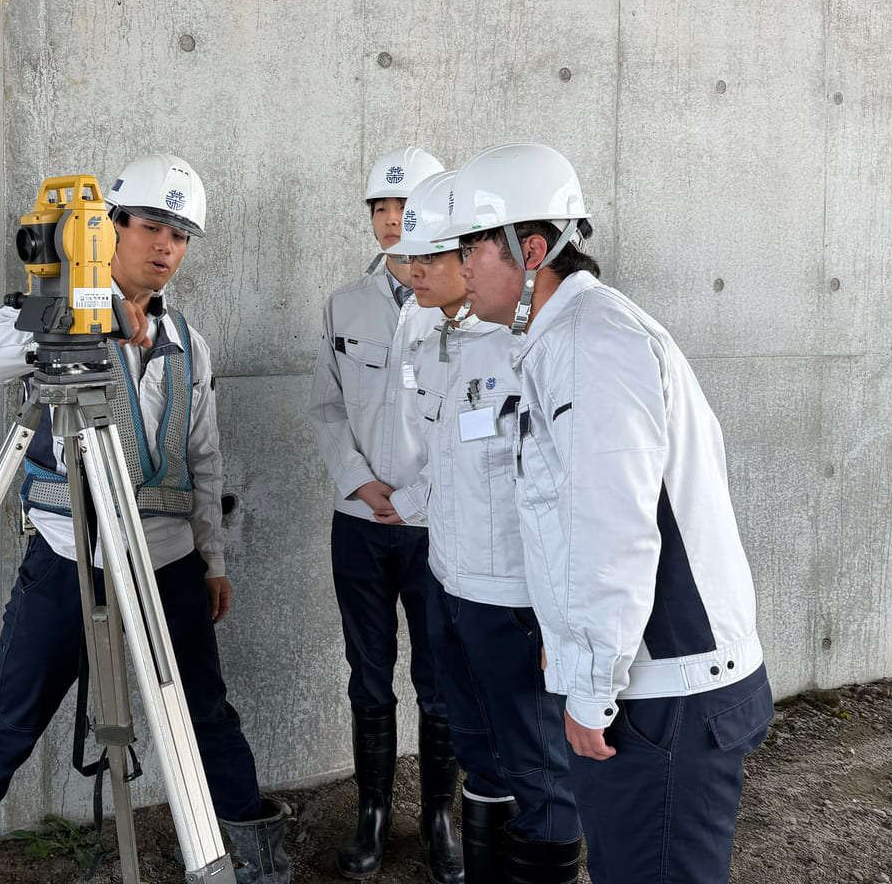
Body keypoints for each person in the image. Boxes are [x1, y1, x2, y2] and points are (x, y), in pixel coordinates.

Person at [0, 154, 289, 884]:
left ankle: (256, 863)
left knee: (204, 719)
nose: (166, 247)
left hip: (166, 566)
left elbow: (204, 462)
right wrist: (64, 318)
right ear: (105, 227)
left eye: (180, 234)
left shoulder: (188, 344)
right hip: (66, 559)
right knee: (12, 718)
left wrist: (213, 563)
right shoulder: (47, 313)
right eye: (151, 225)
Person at [448, 142, 773, 884]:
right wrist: (567, 650)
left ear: (530, 251)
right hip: (653, 682)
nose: (461, 266)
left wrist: (590, 686)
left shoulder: (592, 344)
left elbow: (613, 531)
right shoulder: (569, 338)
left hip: (664, 697)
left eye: (471, 247)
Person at [383, 171, 583, 884]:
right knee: (479, 750)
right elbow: (451, 461)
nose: (426, 271)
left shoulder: (533, 349)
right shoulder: (449, 343)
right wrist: (406, 505)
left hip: (514, 600)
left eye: (453, 253)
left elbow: (569, 496)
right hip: (451, 584)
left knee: (539, 768)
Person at [308, 147, 464, 884]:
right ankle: (372, 813)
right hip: (360, 523)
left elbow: (473, 423)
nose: (393, 222)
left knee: (439, 676)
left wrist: (416, 497)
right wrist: (362, 485)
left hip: (436, 528)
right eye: (381, 209)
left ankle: (439, 818)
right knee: (368, 671)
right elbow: (328, 406)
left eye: (406, 210)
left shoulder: (464, 309)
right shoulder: (346, 303)